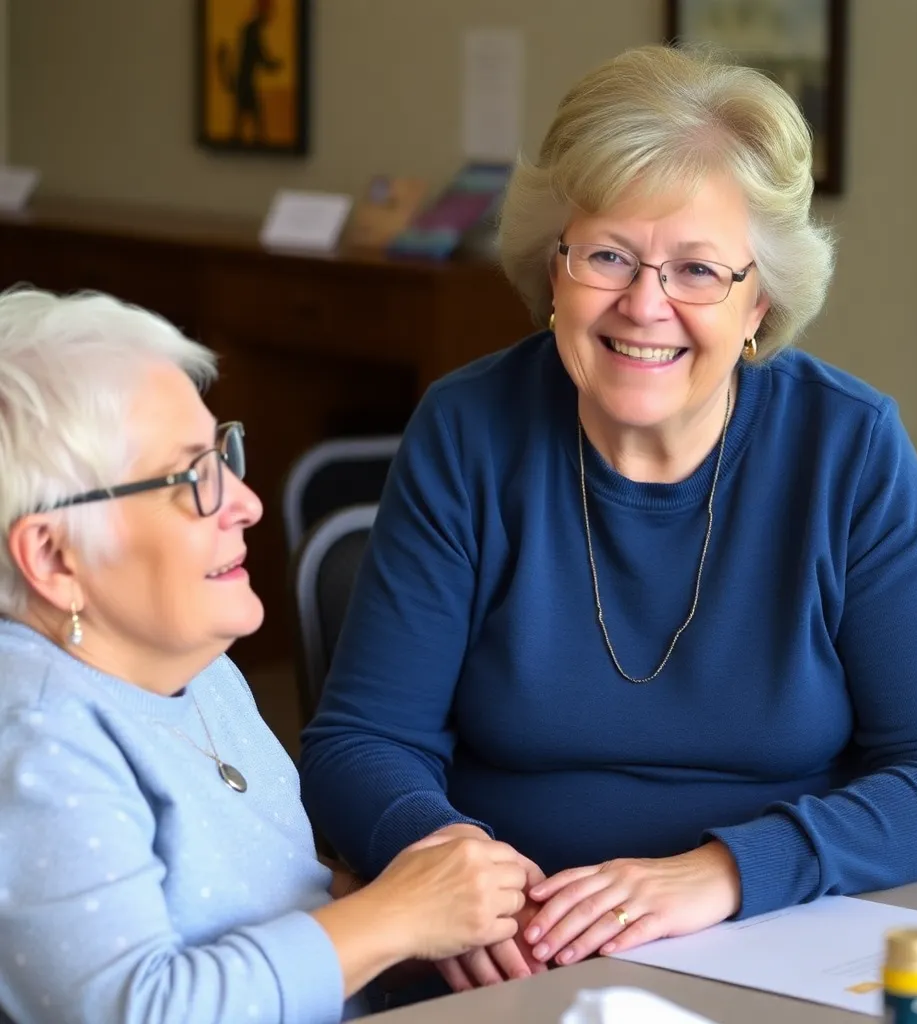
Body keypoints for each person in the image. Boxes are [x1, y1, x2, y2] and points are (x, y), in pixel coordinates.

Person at [299, 43, 917, 998]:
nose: (645, 305)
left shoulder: (845, 449)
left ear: (760, 298)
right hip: (503, 960)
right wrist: (447, 868)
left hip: (773, 943)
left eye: (697, 270)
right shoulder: (469, 429)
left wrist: (724, 874)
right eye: (607, 256)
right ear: (551, 268)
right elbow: (360, 742)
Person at [0, 288, 537, 1024]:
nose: (246, 502)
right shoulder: (34, 741)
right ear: (53, 556)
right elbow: (141, 1011)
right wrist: (398, 916)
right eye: (193, 479)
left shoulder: (201, 671)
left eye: (223, 454)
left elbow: (264, 906)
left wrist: (457, 921)